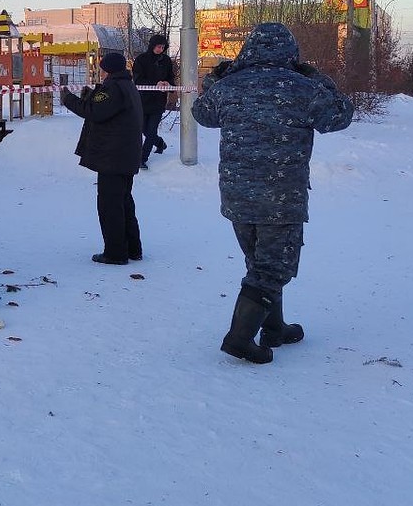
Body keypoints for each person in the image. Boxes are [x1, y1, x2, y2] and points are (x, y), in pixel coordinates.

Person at [191, 23, 354, 364]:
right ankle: (239, 340)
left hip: (236, 194)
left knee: (259, 263)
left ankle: (274, 328)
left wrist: (218, 77)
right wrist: (318, 78)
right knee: (271, 270)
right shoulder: (303, 88)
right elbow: (340, 115)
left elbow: (202, 112)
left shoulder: (230, 87)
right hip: (281, 197)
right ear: (291, 53)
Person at [60, 51, 144, 265]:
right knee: (124, 201)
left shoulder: (113, 87)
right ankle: (133, 248)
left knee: (110, 206)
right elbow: (105, 108)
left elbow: (94, 112)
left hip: (112, 157)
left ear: (107, 69)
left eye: (101, 67)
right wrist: (91, 94)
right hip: (125, 155)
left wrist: (68, 98)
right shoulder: (127, 85)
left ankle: (115, 253)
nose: (100, 70)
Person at [131, 33, 177, 168]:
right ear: (152, 45)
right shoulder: (141, 59)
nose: (160, 49)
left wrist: (169, 85)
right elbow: (138, 80)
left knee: (151, 131)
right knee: (145, 130)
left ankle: (142, 159)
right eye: (158, 46)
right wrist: (155, 83)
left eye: (163, 47)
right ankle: (160, 143)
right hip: (143, 100)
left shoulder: (167, 61)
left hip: (158, 101)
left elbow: (171, 78)